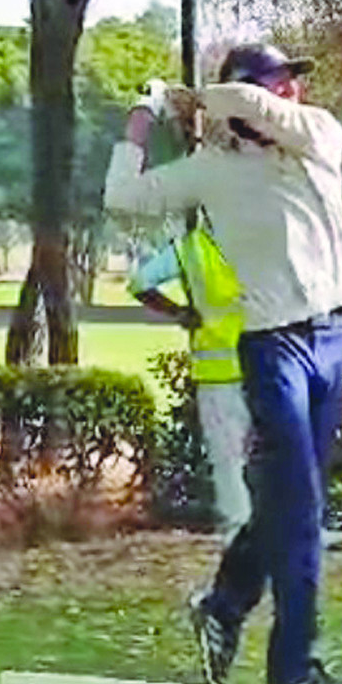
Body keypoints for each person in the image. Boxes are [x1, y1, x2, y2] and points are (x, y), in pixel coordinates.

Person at [105, 43, 342, 684]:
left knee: (288, 504)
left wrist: (190, 94)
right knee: (303, 510)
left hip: (333, 338)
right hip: (271, 346)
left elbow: (242, 101)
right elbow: (122, 197)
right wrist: (143, 115)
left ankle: (224, 603)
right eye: (280, 83)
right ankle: (295, 670)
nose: (291, 93)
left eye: (291, 84)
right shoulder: (210, 170)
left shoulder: (318, 136)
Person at [128, 226, 252, 543]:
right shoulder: (260, 233)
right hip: (265, 361)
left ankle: (239, 531)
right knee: (277, 450)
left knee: (228, 458)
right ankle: (290, 529)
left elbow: (140, 282)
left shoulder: (192, 248)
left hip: (216, 368)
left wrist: (180, 312)